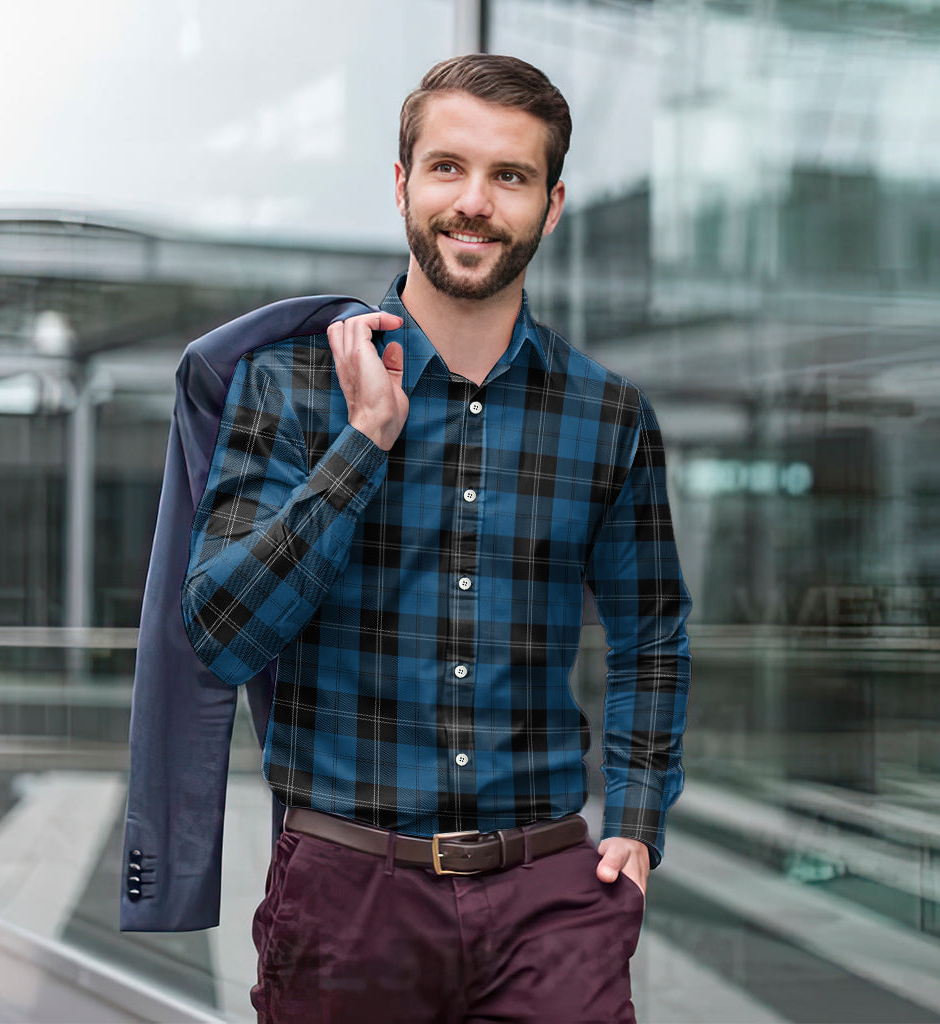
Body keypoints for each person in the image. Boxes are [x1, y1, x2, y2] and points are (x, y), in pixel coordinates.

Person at [181, 53, 691, 1024]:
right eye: (449, 167)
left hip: (550, 899)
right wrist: (364, 441)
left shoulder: (606, 416)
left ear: (552, 203)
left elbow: (651, 632)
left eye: (511, 176)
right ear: (403, 182)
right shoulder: (290, 386)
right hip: (348, 897)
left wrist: (633, 819)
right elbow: (220, 632)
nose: (475, 202)